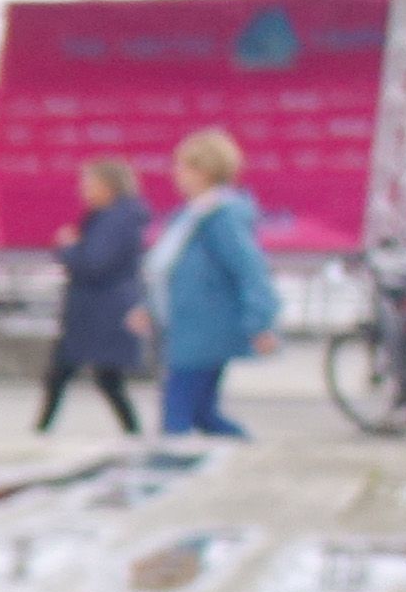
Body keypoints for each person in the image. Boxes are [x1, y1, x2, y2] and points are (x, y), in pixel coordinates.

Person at [149, 125, 277, 438]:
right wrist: (147, 307)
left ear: (204, 171)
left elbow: (249, 269)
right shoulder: (191, 215)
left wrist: (260, 321)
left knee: (177, 411)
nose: (176, 174)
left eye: (183, 167)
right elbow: (168, 268)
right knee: (204, 413)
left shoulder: (222, 216)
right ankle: (246, 448)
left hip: (204, 327)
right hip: (186, 324)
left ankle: (172, 460)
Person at [36, 155, 147, 434]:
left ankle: (42, 430)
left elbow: (95, 264)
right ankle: (132, 433)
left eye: (89, 184)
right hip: (98, 310)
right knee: (97, 377)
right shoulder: (114, 218)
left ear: (108, 186)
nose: (83, 191)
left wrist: (69, 247)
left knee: (78, 373)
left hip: (101, 312)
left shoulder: (116, 220)